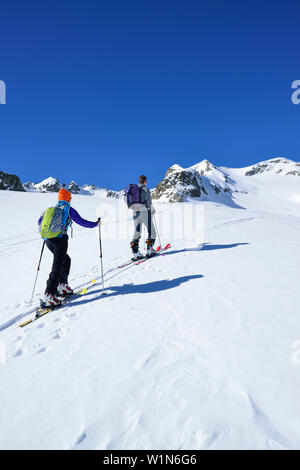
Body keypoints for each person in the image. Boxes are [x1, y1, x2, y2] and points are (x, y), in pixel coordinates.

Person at [38, 188, 100, 307]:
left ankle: (62, 286)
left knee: (66, 260)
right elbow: (81, 221)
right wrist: (95, 224)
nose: (71, 200)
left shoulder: (49, 210)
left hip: (48, 241)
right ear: (68, 198)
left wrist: (48, 232)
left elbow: (39, 222)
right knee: (57, 266)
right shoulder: (68, 209)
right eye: (70, 198)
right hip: (60, 240)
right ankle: (49, 294)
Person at [129, 175, 156, 260]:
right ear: (145, 181)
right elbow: (148, 202)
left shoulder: (133, 190)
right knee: (152, 231)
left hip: (135, 213)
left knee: (137, 231)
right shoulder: (146, 190)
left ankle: (135, 253)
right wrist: (152, 210)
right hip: (144, 212)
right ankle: (149, 250)